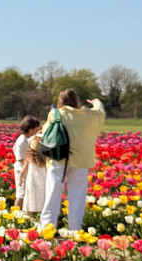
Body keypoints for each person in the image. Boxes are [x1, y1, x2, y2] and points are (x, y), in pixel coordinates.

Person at [39, 89, 105, 232]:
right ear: (76, 100)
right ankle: (75, 229)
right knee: (78, 196)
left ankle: (47, 228)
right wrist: (96, 103)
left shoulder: (55, 114)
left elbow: (45, 133)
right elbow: (100, 113)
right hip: (81, 159)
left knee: (52, 194)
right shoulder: (88, 115)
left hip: (58, 158)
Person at [13, 115, 41, 209]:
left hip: (25, 168)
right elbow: (20, 158)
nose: (37, 130)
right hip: (21, 168)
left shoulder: (27, 139)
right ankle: (15, 213)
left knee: (26, 193)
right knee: (21, 193)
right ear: (30, 129)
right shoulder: (22, 141)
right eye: (36, 128)